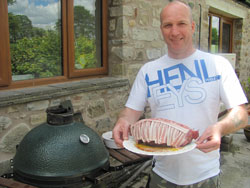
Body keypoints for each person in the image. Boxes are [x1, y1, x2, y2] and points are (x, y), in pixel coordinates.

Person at [112, 0, 248, 188]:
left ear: (192, 27)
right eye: (168, 25)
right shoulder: (148, 71)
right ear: (161, 29)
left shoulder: (218, 65)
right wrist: (123, 122)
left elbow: (241, 114)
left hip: (205, 175)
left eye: (181, 24)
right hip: (162, 175)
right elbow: (131, 111)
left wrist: (220, 128)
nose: (174, 32)